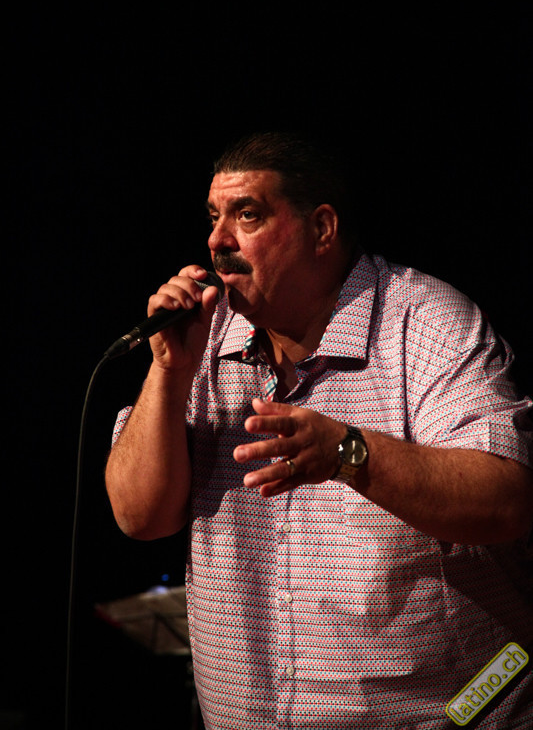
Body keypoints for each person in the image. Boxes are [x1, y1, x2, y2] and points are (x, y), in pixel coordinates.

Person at [105, 131, 533, 729]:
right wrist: (169, 371)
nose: (217, 240)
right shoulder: (202, 336)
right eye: (213, 217)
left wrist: (348, 454)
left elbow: (508, 500)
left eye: (247, 215)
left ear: (323, 229)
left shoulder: (427, 323)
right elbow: (138, 515)